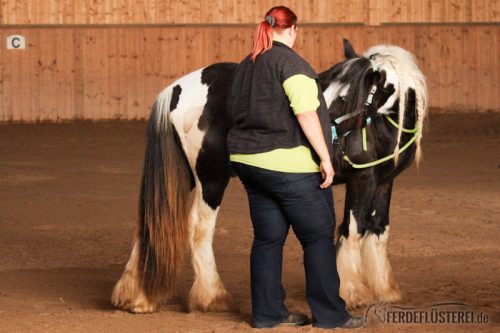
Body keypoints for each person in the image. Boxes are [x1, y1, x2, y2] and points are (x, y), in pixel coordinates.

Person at [227, 5, 365, 330]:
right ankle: (331, 316)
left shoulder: (248, 64)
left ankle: (268, 314)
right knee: (317, 236)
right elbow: (305, 115)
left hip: (248, 164)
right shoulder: (294, 65)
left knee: (267, 238)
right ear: (292, 30)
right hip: (288, 166)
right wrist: (325, 159)